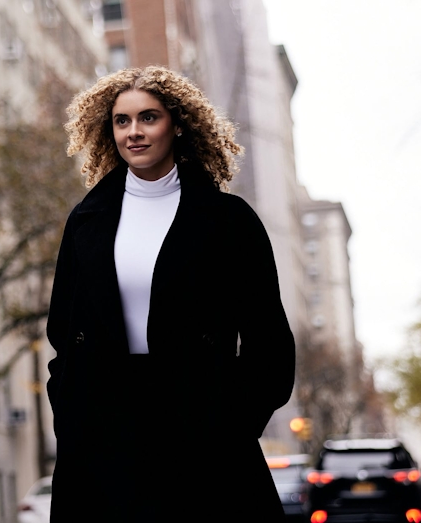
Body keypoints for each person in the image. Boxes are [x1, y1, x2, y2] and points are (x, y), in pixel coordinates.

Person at [46, 65, 296, 522]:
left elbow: (269, 341)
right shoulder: (88, 220)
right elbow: (63, 331)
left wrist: (234, 422)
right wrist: (71, 413)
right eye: (122, 121)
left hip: (202, 425)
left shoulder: (228, 220)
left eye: (148, 118)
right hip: (105, 430)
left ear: (177, 124)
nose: (133, 132)